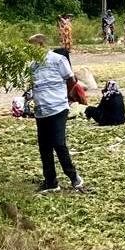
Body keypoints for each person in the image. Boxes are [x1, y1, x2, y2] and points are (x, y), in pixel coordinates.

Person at [27, 34, 84, 193]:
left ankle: (74, 177)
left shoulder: (57, 60)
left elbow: (71, 80)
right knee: (44, 147)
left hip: (58, 108)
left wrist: (63, 95)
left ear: (40, 45)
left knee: (59, 144)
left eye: (31, 47)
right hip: (41, 110)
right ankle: (51, 182)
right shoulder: (32, 65)